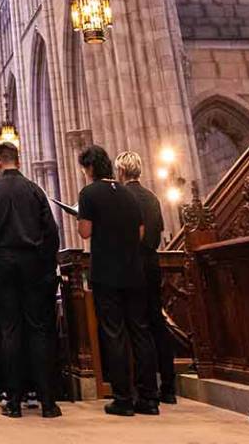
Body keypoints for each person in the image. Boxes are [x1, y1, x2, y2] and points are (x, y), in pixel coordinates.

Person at [0, 141, 60, 418]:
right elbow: (51, 232)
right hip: (33, 265)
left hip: (5, 264)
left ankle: (12, 401)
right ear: (19, 161)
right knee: (38, 330)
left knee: (9, 330)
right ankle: (47, 402)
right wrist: (44, 263)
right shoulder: (35, 190)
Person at [76, 145, 157, 417]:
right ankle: (149, 398)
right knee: (140, 331)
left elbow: (85, 232)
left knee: (114, 333)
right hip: (133, 271)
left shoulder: (89, 193)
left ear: (89, 169)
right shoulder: (127, 193)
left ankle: (122, 398)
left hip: (107, 272)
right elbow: (140, 232)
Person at [116, 152, 177, 405]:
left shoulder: (122, 197)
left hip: (131, 264)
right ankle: (169, 389)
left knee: (136, 327)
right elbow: (159, 230)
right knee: (157, 324)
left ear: (120, 172)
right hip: (152, 263)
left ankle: (144, 389)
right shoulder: (152, 197)